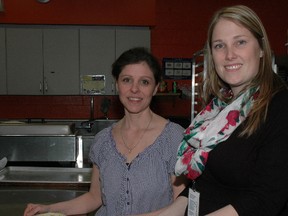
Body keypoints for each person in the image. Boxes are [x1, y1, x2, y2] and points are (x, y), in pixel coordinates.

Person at [156, 5, 288, 216]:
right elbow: (205, 183)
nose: (229, 55)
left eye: (240, 42)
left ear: (261, 48)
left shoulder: (280, 107)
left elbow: (266, 199)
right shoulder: (218, 108)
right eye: (219, 46)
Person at [23, 47, 187, 216]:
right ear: (116, 85)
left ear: (155, 88)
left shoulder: (174, 138)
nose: (134, 89)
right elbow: (94, 198)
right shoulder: (103, 140)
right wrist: (49, 208)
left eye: (144, 82)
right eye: (127, 80)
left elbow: (181, 205)